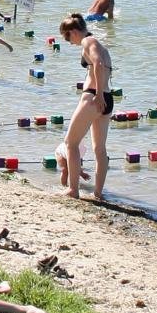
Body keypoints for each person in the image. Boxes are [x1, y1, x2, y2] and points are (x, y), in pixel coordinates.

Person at [57, 13, 112, 203]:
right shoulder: (99, 44)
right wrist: (102, 95)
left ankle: (73, 189)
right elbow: (104, 66)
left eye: (67, 37)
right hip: (107, 98)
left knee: (70, 143)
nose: (68, 41)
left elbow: (98, 63)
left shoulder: (88, 41)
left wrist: (97, 95)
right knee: (100, 150)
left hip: (93, 97)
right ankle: (98, 193)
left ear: (73, 32)